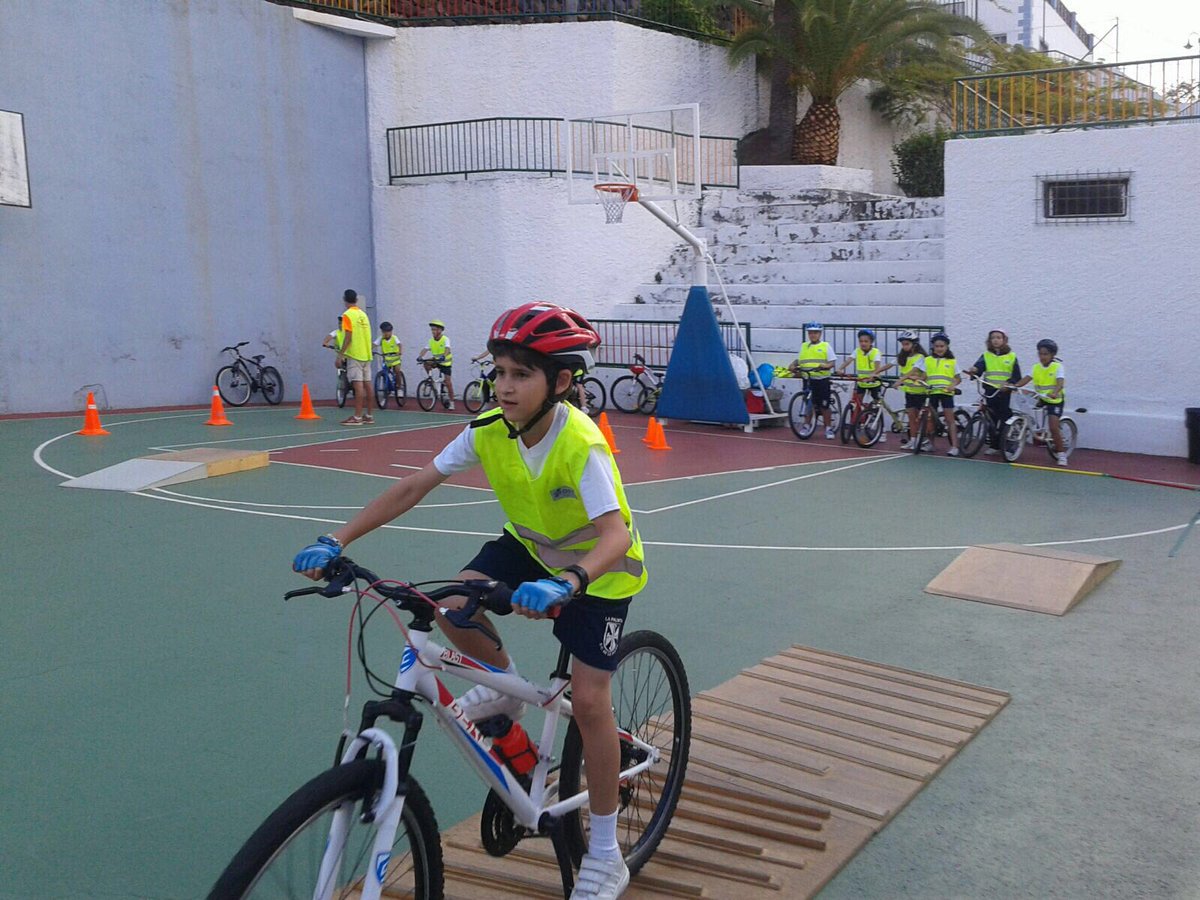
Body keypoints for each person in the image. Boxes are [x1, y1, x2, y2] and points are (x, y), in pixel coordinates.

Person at [293, 302, 646, 899]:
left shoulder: (581, 442)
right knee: (453, 601)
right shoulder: (487, 428)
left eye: (521, 374)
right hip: (531, 551)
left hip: (600, 575)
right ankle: (504, 688)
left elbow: (615, 535)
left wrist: (569, 583)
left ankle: (607, 854)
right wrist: (338, 538)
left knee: (588, 701)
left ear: (560, 382)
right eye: (499, 371)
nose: (503, 386)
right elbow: (413, 485)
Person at [963, 329, 1022, 456]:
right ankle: (994, 445)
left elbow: (1016, 375)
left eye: (999, 337)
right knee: (991, 419)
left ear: (1004, 340)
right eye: (993, 337)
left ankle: (1008, 444)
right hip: (990, 391)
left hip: (1004, 392)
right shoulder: (986, 355)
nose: (996, 340)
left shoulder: (1011, 356)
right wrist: (974, 370)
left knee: (1005, 418)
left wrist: (1009, 383)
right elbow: (979, 367)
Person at [1016, 338, 1069, 466]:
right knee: (1023, 406)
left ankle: (1061, 454)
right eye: (1040, 353)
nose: (1042, 356)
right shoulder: (1036, 368)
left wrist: (1055, 392)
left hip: (1054, 400)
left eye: (1045, 354)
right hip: (1041, 397)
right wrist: (1014, 385)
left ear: (1052, 355)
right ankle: (1033, 430)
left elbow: (1060, 383)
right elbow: (1026, 379)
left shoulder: (1057, 367)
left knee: (1053, 427)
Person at [837, 328, 889, 444]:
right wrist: (840, 368)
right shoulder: (857, 351)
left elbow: (877, 366)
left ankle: (882, 431)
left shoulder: (875, 352)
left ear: (871, 342)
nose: (863, 343)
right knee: (856, 404)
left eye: (866, 341)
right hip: (861, 382)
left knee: (877, 406)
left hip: (874, 383)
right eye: (861, 341)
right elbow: (849, 360)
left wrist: (874, 375)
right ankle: (854, 427)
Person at [789, 322, 837, 439]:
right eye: (810, 333)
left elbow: (832, 362)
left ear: (820, 334)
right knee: (808, 404)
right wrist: (793, 365)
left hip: (821, 379)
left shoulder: (825, 346)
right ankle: (806, 425)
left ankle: (828, 428)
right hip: (808, 378)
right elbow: (799, 360)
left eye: (815, 333)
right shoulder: (804, 346)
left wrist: (825, 366)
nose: (812, 335)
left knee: (824, 405)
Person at [921, 331, 961, 456]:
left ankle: (954, 446)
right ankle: (931, 444)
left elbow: (958, 378)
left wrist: (952, 386)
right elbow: (924, 375)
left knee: (950, 419)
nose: (939, 349)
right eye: (937, 346)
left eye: (942, 346)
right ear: (933, 346)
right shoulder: (927, 360)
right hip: (932, 391)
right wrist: (918, 380)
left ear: (947, 347)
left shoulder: (952, 361)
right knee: (930, 419)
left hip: (946, 393)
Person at [338, 290, 374, 426]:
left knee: (358, 385)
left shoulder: (347, 315)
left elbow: (348, 335)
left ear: (345, 300)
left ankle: (357, 417)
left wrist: (341, 353)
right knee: (368, 385)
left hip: (355, 354)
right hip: (366, 353)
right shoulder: (363, 314)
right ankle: (369, 415)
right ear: (356, 300)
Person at [894, 330, 930, 450]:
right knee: (911, 417)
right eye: (903, 344)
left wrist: (900, 380)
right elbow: (889, 365)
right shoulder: (903, 357)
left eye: (907, 344)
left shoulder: (921, 357)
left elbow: (913, 371)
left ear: (914, 344)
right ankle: (913, 440)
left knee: (920, 418)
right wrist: (875, 373)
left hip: (921, 392)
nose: (904, 347)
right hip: (909, 391)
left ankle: (925, 440)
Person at [418, 319, 456, 411]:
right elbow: (425, 349)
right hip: (436, 361)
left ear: (440, 330)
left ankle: (452, 402)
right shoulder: (431, 341)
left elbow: (447, 349)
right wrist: (420, 356)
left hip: (445, 363)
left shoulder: (445, 339)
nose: (433, 331)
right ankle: (431, 381)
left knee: (448, 382)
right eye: (432, 330)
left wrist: (444, 356)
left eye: (435, 329)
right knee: (426, 363)